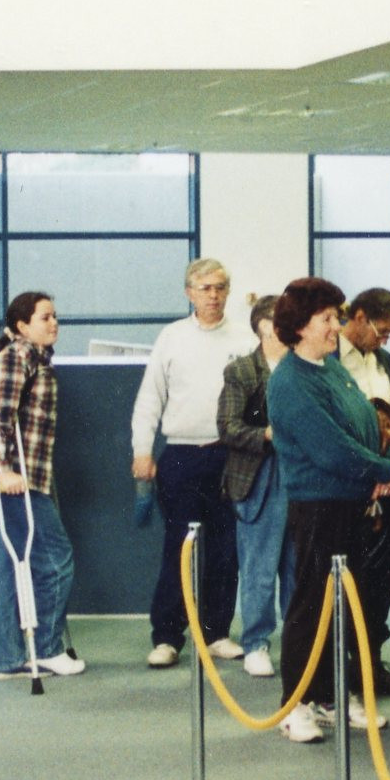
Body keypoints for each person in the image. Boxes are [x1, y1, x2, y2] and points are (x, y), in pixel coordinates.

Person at [266, 277, 390, 744]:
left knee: (346, 604)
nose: (336, 326)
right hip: (319, 506)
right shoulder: (289, 381)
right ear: (299, 327)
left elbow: (360, 423)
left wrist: (376, 464)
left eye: (336, 317)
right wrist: (382, 469)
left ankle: (329, 696)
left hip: (350, 504)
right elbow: (329, 448)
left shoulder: (331, 369)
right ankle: (295, 703)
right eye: (326, 319)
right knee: (310, 605)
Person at [132, 258, 257, 668]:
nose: (213, 295)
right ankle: (168, 636)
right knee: (179, 548)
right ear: (189, 292)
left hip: (230, 455)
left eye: (220, 287)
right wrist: (142, 451)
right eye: (205, 288)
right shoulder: (171, 338)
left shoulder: (244, 338)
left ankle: (216, 632)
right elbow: (150, 398)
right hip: (181, 455)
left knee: (225, 549)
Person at [0, 291, 82, 680]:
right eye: (45, 317)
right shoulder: (17, 357)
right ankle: (47, 650)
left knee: (9, 565)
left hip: (29, 477)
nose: (54, 323)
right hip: (15, 481)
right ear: (22, 326)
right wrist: (3, 469)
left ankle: (8, 659)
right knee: (55, 559)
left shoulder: (37, 359)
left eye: (55, 316)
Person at [336, 287, 390, 696]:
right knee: (345, 580)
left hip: (386, 482)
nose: (384, 339)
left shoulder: (385, 361)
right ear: (357, 317)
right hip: (345, 486)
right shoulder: (330, 361)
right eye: (381, 330)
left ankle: (371, 664)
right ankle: (340, 673)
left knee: (382, 577)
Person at [218, 295, 287, 678]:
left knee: (298, 568)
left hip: (300, 477)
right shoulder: (242, 371)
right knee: (259, 568)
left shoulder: (304, 368)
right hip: (260, 478)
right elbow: (227, 427)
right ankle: (256, 643)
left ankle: (299, 643)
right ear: (264, 326)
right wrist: (267, 434)